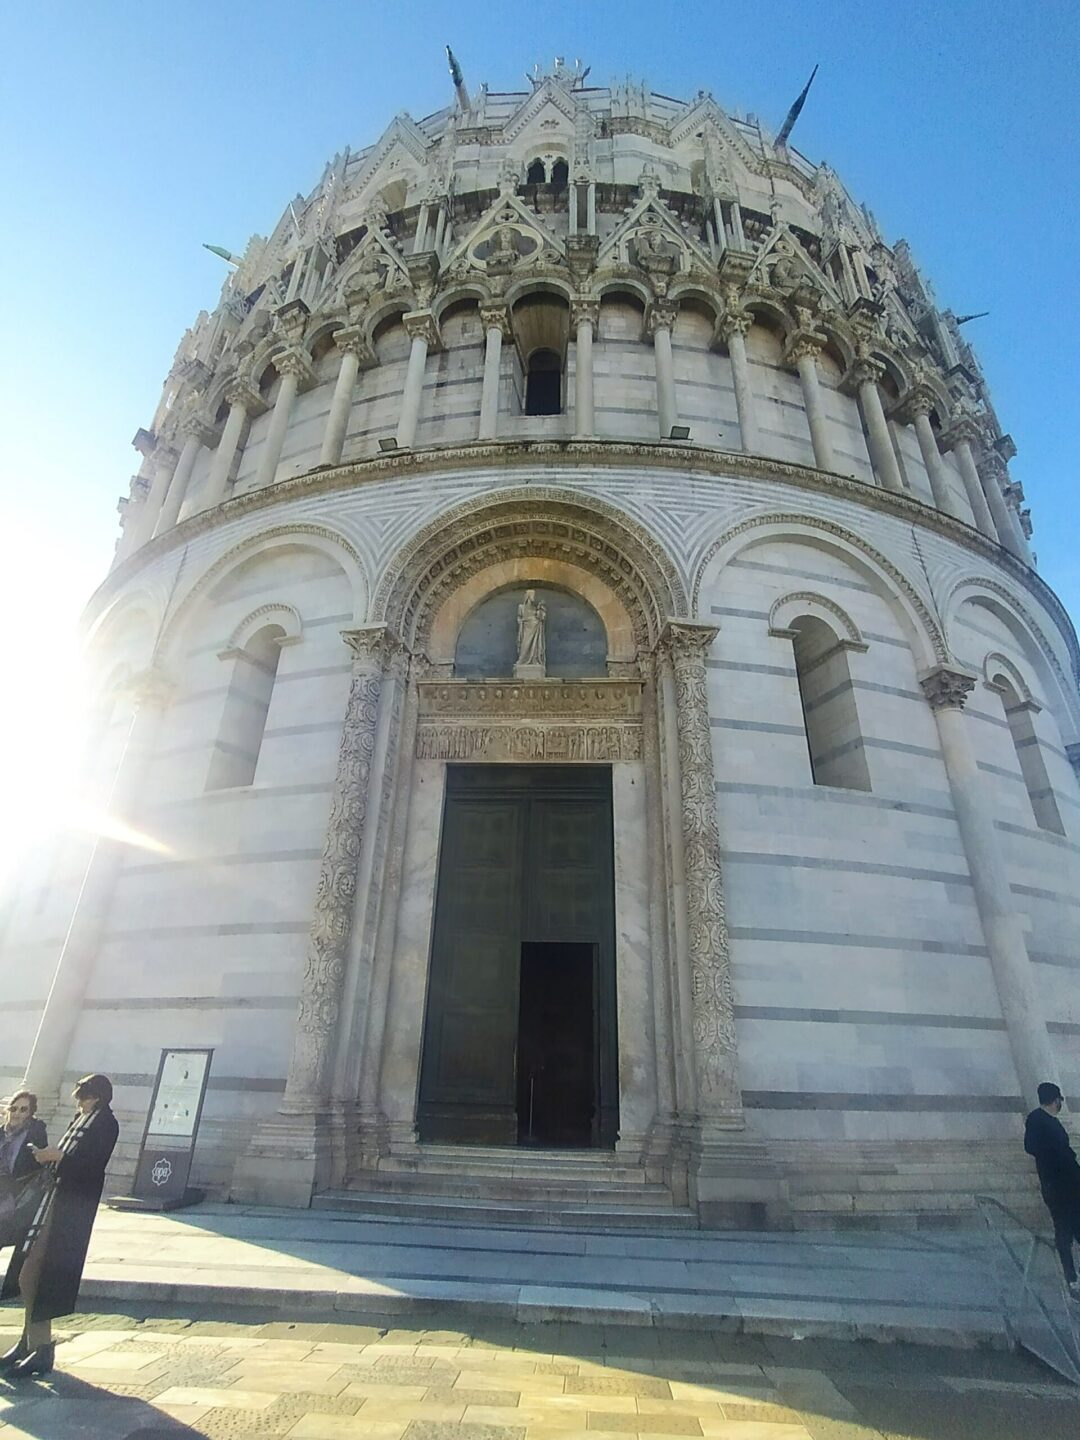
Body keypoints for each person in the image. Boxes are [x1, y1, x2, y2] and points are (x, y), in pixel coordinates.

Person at [0, 1074, 119, 1378]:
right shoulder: (82, 1119)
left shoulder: (105, 1124)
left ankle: (41, 1348)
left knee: (37, 1276)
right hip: (51, 1201)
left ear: (97, 1096)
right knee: (28, 1275)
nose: (79, 1101)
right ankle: (31, 1343)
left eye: (85, 1096)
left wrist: (58, 1156)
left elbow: (91, 1165)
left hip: (70, 1208)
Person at [1023, 1081, 1080, 1296]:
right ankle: (1072, 1280)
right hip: (1058, 1185)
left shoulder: (1050, 1121)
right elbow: (1031, 1146)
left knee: (1074, 1229)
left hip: (1068, 1184)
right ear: (1056, 1100)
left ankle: (1074, 1278)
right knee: (1064, 1231)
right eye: (1060, 1100)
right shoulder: (1038, 1119)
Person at [0, 1094, 48, 1249]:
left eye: (23, 1110)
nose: (17, 1113)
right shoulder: (1, 1133)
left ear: (30, 1113)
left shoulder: (35, 1134)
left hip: (15, 1194)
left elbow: (38, 1166)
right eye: (14, 1108)